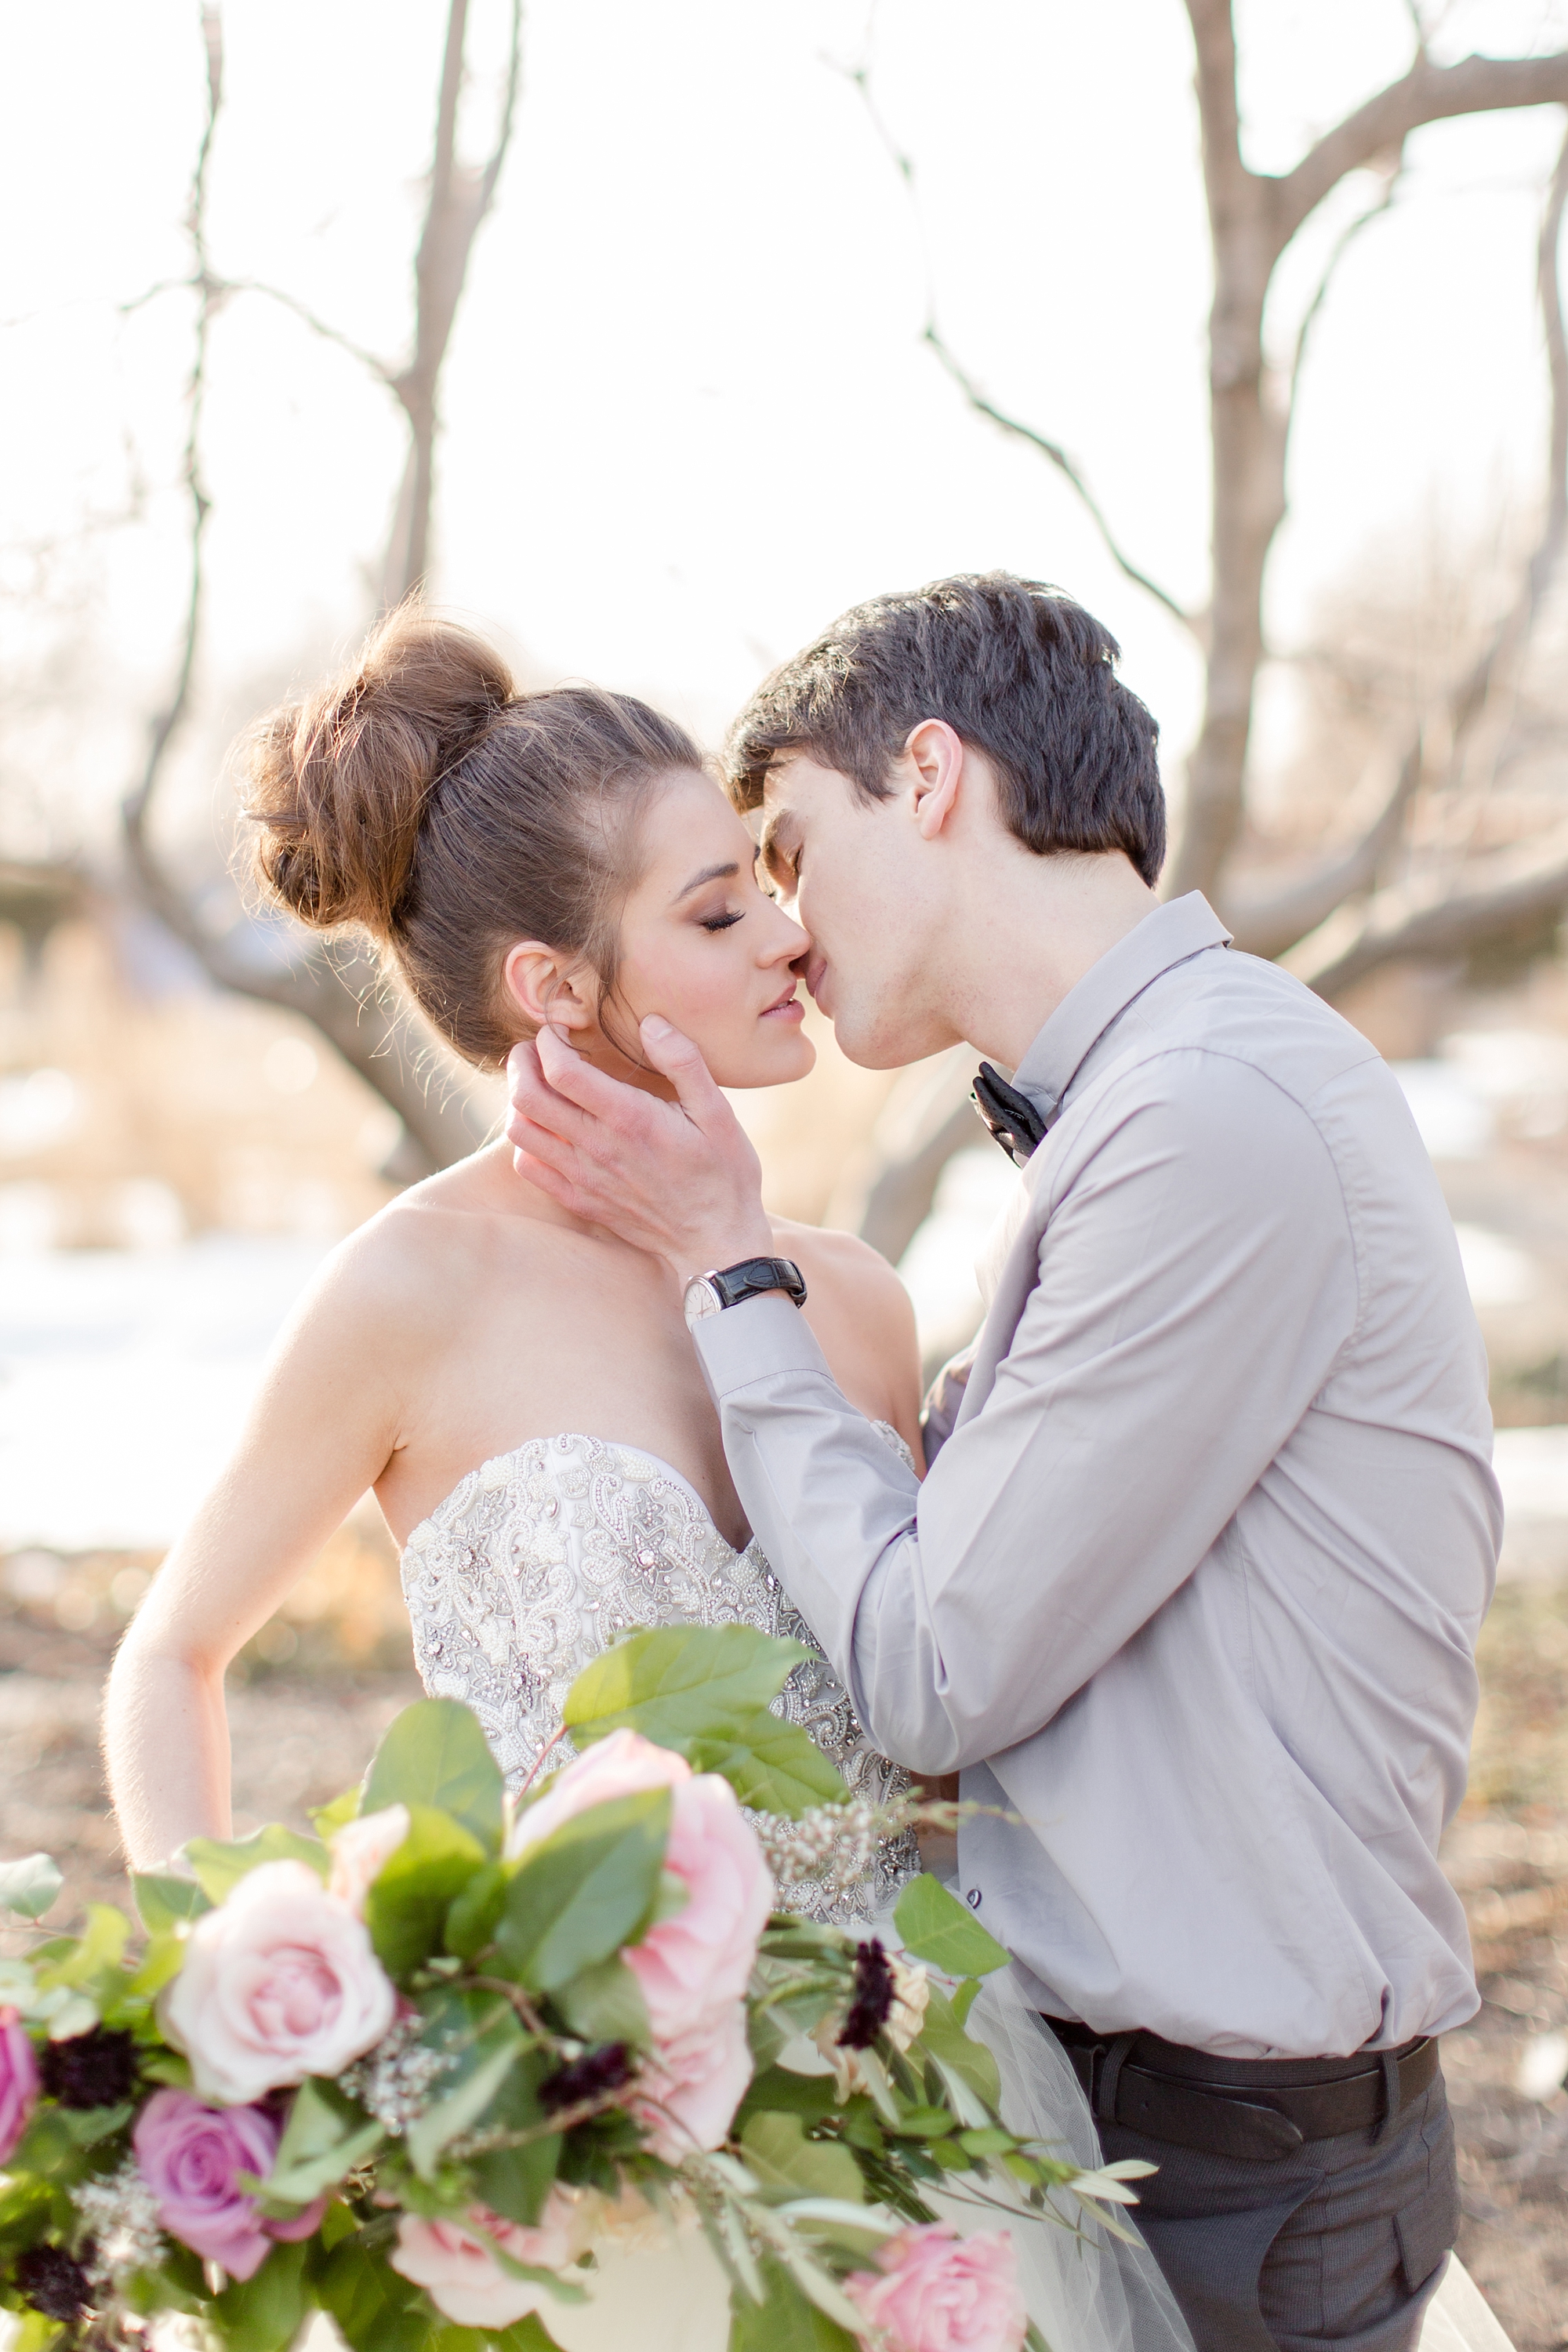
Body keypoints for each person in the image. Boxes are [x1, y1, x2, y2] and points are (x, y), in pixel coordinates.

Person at [103, 602, 1195, 2352]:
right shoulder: (411, 1293)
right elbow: (169, 1656)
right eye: (715, 910)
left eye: (767, 878)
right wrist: (257, 2017)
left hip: (911, 2118)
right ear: (555, 987)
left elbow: (932, 1725)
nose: (788, 932)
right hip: (579, 2162)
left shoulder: (851, 1303)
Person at [503, 571, 1504, 2352]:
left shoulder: (1209, 1116)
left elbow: (935, 1666)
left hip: (1230, 2190)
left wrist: (730, 1273)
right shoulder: (1151, 1103)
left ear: (935, 775)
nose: (788, 934)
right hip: (1141, 2138)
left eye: (792, 853)